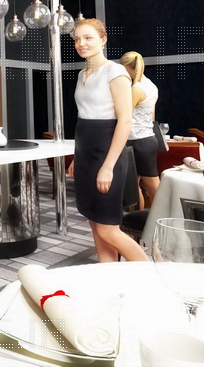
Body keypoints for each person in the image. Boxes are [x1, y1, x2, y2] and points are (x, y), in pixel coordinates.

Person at [67, 19, 148, 262]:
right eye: (77, 39)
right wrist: (77, 158)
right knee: (95, 224)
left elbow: (125, 121)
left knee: (107, 229)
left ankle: (152, 274)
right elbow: (84, 118)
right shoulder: (82, 74)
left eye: (88, 38)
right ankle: (109, 277)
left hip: (107, 154)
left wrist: (108, 166)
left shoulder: (115, 71)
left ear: (103, 40)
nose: (81, 43)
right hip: (86, 153)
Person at [119, 51, 160, 209]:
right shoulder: (151, 85)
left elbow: (123, 114)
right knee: (141, 184)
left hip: (136, 141)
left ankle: (157, 218)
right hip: (147, 139)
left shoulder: (136, 89)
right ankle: (143, 219)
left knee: (150, 184)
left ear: (126, 67)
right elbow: (152, 117)